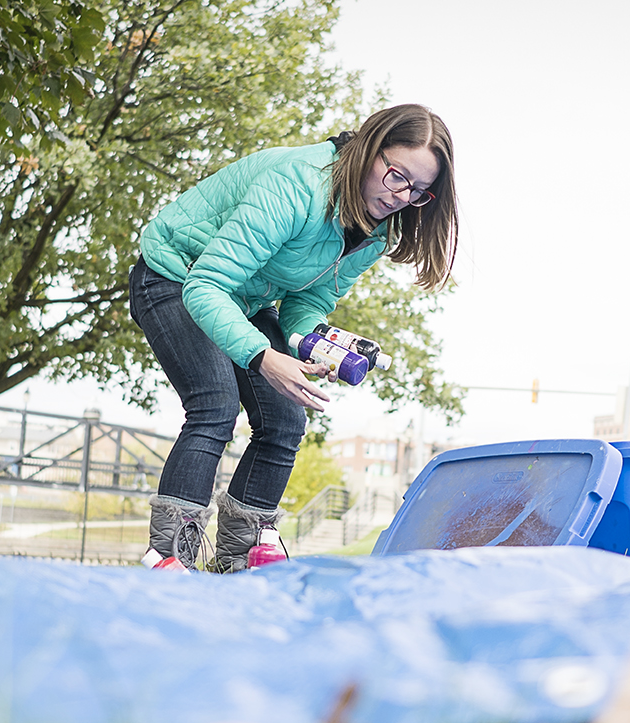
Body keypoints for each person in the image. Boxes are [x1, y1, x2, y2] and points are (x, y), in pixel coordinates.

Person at [129, 104, 458, 571]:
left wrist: (312, 341)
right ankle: (169, 555)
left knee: (286, 418)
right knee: (215, 404)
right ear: (369, 148)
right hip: (175, 277)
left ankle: (240, 553)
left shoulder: (376, 229)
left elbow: (308, 300)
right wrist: (263, 355)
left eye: (420, 191)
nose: (403, 196)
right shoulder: (294, 185)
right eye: (398, 176)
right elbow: (205, 286)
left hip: (245, 296)